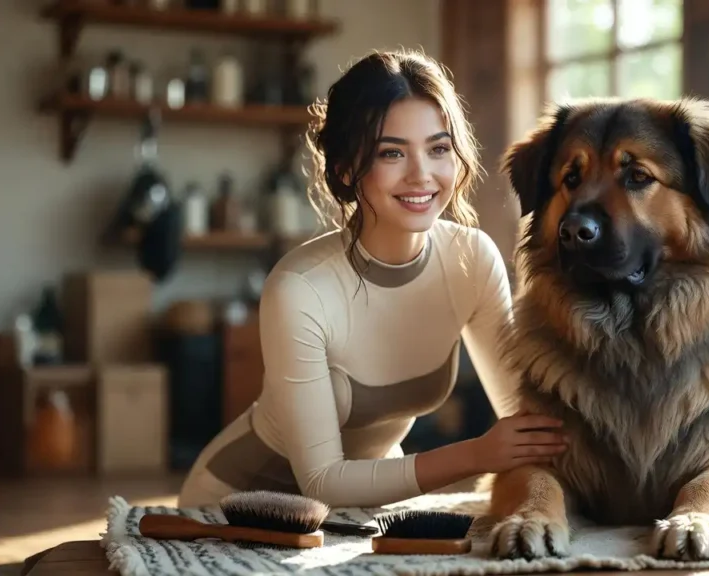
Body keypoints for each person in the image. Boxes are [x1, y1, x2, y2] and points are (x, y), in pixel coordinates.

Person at [177, 50, 568, 509]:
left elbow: (522, 417)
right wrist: (478, 454)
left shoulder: (472, 260)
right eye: (392, 153)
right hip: (232, 507)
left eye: (439, 148)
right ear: (346, 169)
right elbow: (324, 481)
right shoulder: (300, 288)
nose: (421, 174)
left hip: (360, 511)